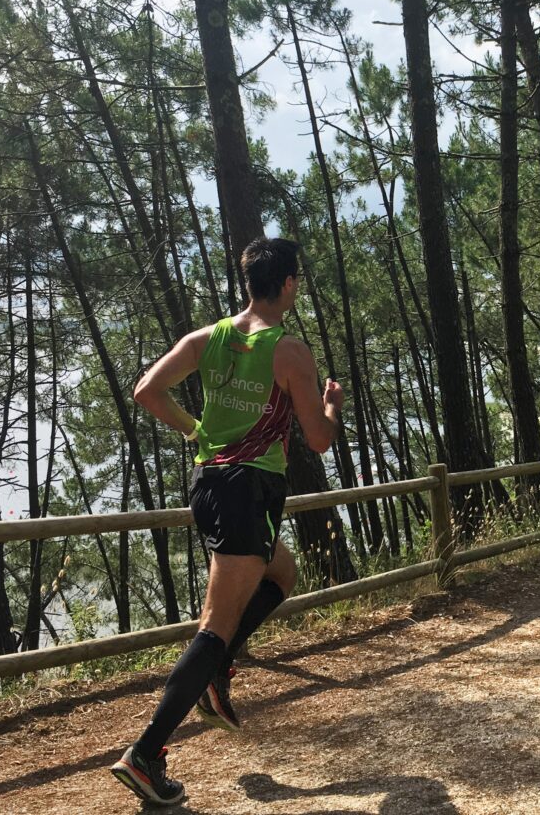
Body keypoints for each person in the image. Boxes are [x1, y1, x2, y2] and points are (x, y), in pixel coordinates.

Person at [111, 237, 343, 806]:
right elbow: (318, 438)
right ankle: (145, 754)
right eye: (298, 280)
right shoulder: (289, 351)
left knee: (282, 574)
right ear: (287, 284)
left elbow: (147, 390)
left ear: (248, 283)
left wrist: (197, 432)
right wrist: (333, 402)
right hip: (249, 489)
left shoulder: (206, 339)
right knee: (215, 625)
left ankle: (217, 670)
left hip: (212, 485)